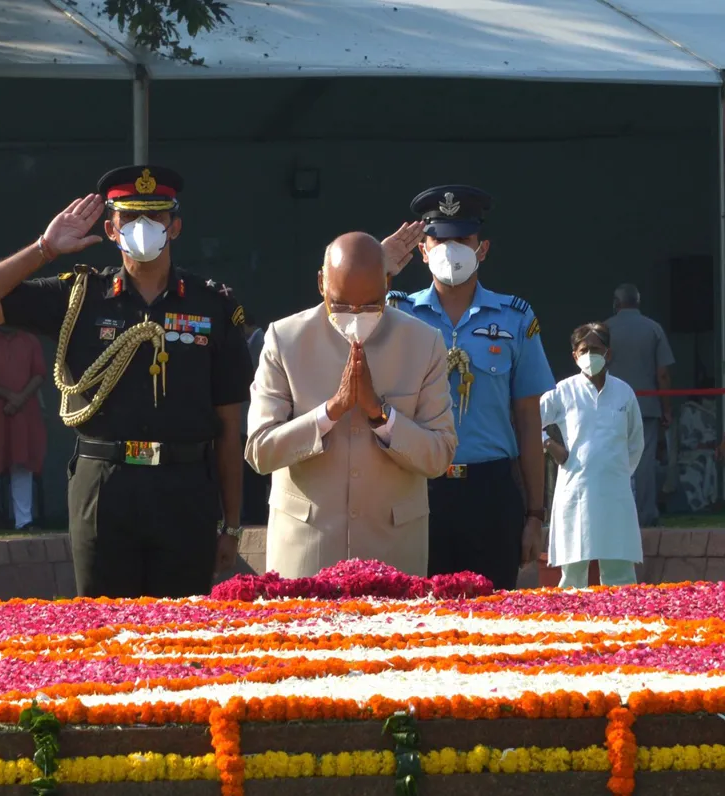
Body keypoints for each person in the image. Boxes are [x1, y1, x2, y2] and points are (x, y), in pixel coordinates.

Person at [0, 165, 253, 599]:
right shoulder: (80, 295)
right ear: (112, 230)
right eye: (130, 219)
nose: (143, 228)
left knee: (179, 631)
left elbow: (228, 428)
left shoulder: (213, 307)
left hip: (184, 484)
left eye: (156, 217)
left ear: (176, 226)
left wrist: (232, 525)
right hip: (104, 483)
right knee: (102, 626)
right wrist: (44, 249)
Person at [247, 232, 456, 577]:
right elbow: (259, 451)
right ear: (321, 284)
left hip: (393, 554)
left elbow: (439, 454)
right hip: (305, 554)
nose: (356, 317)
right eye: (341, 305)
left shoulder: (424, 343)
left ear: (388, 284)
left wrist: (382, 415)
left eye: (371, 305)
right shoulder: (285, 340)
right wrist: (329, 412)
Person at [387, 185, 555, 590]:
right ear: (423, 251)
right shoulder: (396, 314)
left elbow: (529, 421)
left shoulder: (515, 317)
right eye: (440, 240)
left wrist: (535, 513)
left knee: (492, 623)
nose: (451, 250)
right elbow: (340, 317)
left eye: (462, 239)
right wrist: (379, 267)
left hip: (491, 491)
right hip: (416, 489)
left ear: (482, 249)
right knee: (416, 624)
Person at [541, 323, 643, 587]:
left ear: (607, 353)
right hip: (576, 489)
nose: (590, 355)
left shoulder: (624, 392)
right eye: (584, 350)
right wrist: (550, 445)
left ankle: (629, 626)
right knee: (573, 576)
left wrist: (616, 471)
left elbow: (635, 443)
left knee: (621, 575)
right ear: (575, 356)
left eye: (595, 349)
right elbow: (529, 420)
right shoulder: (563, 391)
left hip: (615, 491)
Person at [604, 283, 674, 527]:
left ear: (616, 302)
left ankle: (611, 513)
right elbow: (662, 373)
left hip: (609, 406)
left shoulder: (605, 330)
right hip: (646, 405)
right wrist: (666, 408)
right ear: (638, 302)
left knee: (610, 458)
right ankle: (645, 514)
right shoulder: (653, 329)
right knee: (644, 461)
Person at [0, 324, 46, 531]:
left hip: (23, 414)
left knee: (22, 464)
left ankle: (24, 520)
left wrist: (19, 398)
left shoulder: (31, 341)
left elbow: (39, 374)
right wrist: (11, 397)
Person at [239, 313, 269, 525]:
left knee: (257, 474)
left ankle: (257, 514)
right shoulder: (251, 343)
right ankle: (252, 512)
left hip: (257, 420)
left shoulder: (264, 341)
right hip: (243, 421)